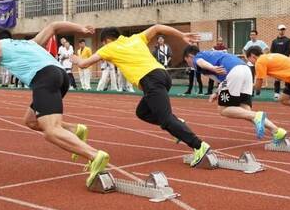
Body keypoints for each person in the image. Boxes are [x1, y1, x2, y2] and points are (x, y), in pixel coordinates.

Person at [0, 22, 109, 188]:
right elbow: (54, 26)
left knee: (51, 131)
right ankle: (75, 130)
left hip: (44, 77)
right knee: (31, 121)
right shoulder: (29, 42)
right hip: (60, 75)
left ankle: (94, 155)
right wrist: (81, 28)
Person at [73, 24, 211, 167]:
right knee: (142, 112)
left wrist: (75, 60)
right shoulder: (136, 38)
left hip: (151, 80)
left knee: (166, 119)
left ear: (106, 40)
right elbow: (157, 27)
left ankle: (199, 146)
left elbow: (83, 64)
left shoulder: (109, 48)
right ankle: (177, 123)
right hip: (162, 75)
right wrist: (181, 35)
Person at [183, 45, 287, 141]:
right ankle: (277, 131)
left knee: (223, 109)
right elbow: (224, 80)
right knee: (245, 110)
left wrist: (212, 68)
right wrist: (217, 92)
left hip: (234, 72)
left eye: (186, 60)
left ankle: (258, 116)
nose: (188, 64)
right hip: (246, 71)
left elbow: (200, 61)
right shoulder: (213, 55)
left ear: (190, 56)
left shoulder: (198, 57)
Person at [270, 24, 290, 100]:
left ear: (284, 30)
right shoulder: (274, 41)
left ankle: (288, 93)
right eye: (280, 29)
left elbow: (288, 51)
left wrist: (282, 59)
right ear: (278, 30)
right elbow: (272, 52)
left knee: (287, 77)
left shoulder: (288, 40)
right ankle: (276, 93)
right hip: (276, 62)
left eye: (283, 29)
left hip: (285, 61)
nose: (282, 31)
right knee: (277, 78)